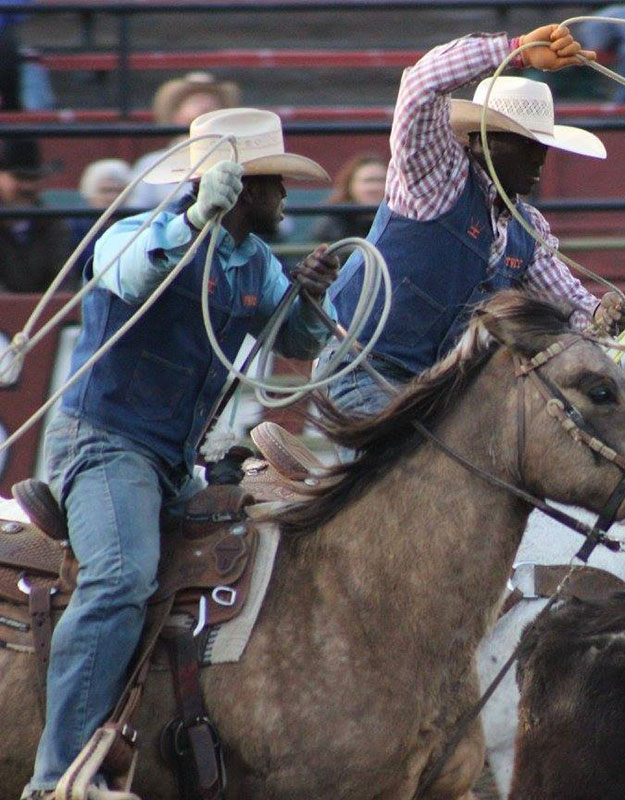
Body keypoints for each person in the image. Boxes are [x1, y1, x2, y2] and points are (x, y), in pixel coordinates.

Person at [21, 107, 339, 800]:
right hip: (107, 443)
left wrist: (310, 297)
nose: (286, 197)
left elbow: (300, 343)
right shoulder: (137, 233)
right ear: (244, 188)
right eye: (275, 183)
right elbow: (132, 276)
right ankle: (55, 779)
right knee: (120, 577)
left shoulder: (253, 262)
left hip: (173, 460)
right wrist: (195, 221)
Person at [317, 24, 625, 417]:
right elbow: (421, 83)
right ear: (482, 141)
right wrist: (515, 50)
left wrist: (606, 317)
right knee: (403, 464)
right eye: (525, 145)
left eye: (543, 148)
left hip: (439, 390)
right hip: (360, 368)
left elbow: (572, 306)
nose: (539, 161)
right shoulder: (434, 179)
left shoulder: (525, 229)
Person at [128, 71, 241, 210]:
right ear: (176, 112)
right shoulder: (151, 163)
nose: (206, 106)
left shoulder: (236, 162)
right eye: (196, 100)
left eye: (213, 101)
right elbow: (136, 214)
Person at [0, 138, 72, 293]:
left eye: (33, 178)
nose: (28, 186)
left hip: (48, 313)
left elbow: (63, 281)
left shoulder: (54, 223)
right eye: (19, 177)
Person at [311, 153, 388, 241]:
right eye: (368, 181)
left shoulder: (401, 220)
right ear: (350, 186)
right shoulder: (335, 222)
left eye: (382, 180)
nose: (375, 187)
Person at [67, 158, 133, 260]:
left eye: (119, 191)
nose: (113, 198)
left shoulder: (136, 224)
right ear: (90, 193)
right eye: (106, 191)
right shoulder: (73, 225)